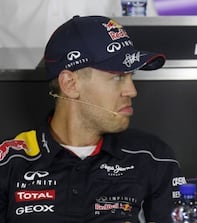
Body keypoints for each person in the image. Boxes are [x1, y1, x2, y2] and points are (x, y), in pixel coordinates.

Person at [0, 15, 186, 223]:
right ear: (70, 84)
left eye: (130, 76)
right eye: (117, 77)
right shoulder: (9, 161)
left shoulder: (153, 157)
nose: (131, 91)